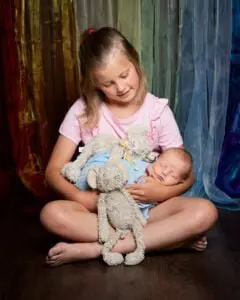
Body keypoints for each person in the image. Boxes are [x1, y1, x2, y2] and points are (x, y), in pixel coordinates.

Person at [40, 27, 218, 267]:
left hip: (149, 211)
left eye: (124, 75)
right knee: (51, 214)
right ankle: (167, 239)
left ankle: (98, 248)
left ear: (135, 62)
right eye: (108, 83)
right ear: (94, 84)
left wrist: (161, 193)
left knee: (205, 211)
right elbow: (53, 172)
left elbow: (187, 174)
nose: (120, 87)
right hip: (100, 213)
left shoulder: (157, 112)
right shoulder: (82, 111)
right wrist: (82, 198)